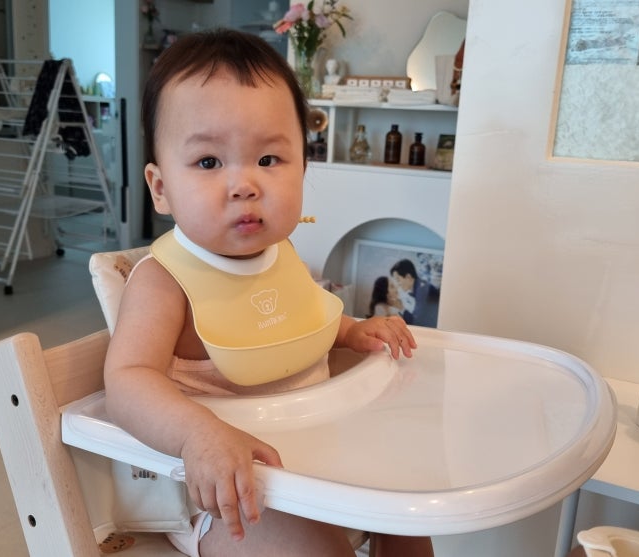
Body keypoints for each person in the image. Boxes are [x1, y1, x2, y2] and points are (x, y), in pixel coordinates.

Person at [104, 28, 432, 557]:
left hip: (317, 448)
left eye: (268, 160)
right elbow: (126, 381)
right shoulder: (164, 280)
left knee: (411, 507)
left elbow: (297, 321)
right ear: (160, 188)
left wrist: (352, 331)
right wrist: (196, 435)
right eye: (209, 162)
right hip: (227, 492)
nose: (244, 184)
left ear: (303, 167)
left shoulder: (282, 253)